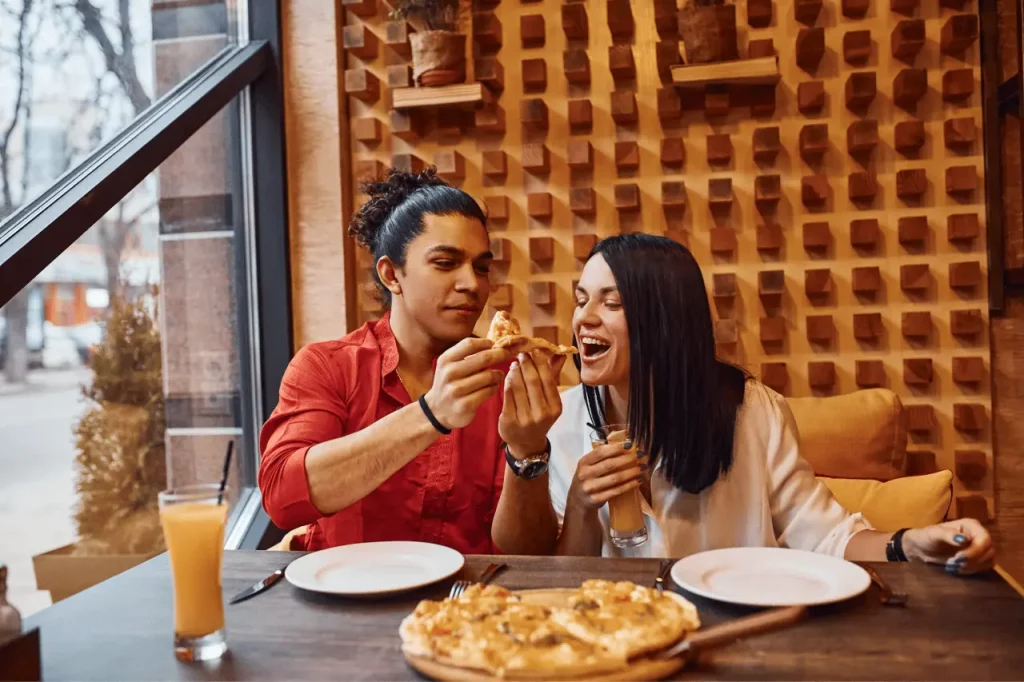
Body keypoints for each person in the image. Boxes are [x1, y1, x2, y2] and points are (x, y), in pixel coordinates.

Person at [492, 234, 995, 575]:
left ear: (666, 320)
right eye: (581, 299)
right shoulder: (562, 418)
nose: (583, 319)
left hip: (741, 641)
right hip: (613, 642)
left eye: (612, 303)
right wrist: (581, 504)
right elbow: (559, 578)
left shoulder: (754, 412)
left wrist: (908, 543)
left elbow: (824, 539)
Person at [259, 168, 560, 553]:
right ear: (391, 275)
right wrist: (432, 413)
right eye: (446, 263)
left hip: (463, 603)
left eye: (481, 267)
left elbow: (528, 553)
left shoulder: (504, 377)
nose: (472, 283)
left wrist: (528, 452)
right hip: (347, 599)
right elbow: (282, 497)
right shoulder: (328, 366)